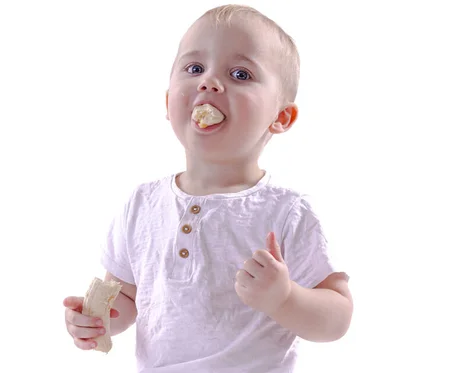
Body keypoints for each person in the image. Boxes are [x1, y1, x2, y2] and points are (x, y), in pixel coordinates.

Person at [64, 4, 353, 372]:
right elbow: (125, 298)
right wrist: (97, 320)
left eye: (239, 73)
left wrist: (285, 298)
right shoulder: (143, 204)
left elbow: (338, 317)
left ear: (280, 117)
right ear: (169, 102)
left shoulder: (285, 212)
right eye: (195, 68)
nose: (209, 82)